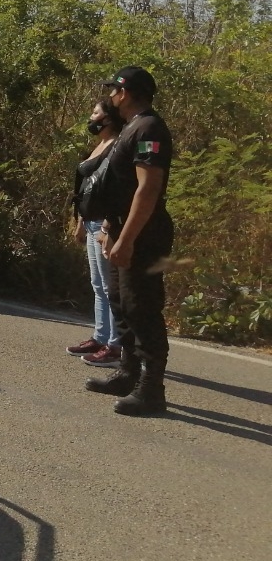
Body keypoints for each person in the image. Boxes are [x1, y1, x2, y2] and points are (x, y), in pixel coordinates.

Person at [84, 65, 174, 416]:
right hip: (123, 227)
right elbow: (118, 187)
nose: (110, 97)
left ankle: (152, 390)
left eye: (113, 90)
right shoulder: (132, 128)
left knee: (142, 307)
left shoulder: (149, 127)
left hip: (145, 234)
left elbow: (147, 189)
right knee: (120, 300)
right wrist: (110, 227)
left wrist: (129, 238)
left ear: (125, 93)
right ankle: (127, 373)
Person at [66, 98, 126, 367]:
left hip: (104, 223)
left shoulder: (117, 145)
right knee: (98, 286)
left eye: (95, 113)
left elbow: (113, 190)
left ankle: (115, 345)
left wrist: (107, 227)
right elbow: (86, 187)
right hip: (90, 221)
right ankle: (100, 337)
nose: (91, 118)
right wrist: (81, 221)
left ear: (109, 118)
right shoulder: (99, 144)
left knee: (111, 288)